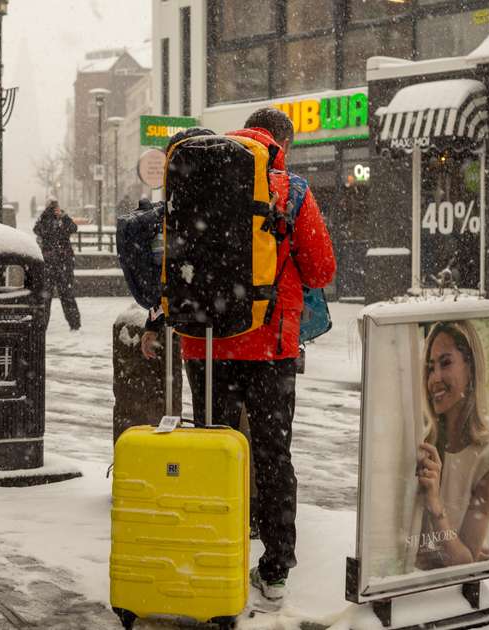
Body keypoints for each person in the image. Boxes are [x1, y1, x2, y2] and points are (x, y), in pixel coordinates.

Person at [141, 110, 336, 600]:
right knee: (272, 454)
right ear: (281, 141)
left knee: (214, 448)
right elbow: (321, 270)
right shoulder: (288, 188)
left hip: (203, 341)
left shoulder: (196, 174)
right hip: (269, 346)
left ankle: (214, 554)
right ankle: (274, 569)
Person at [415, 321, 489, 569]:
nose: (434, 378)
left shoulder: (486, 457)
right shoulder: (420, 444)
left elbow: (463, 564)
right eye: (430, 368)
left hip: (444, 597)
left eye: (446, 363)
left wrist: (435, 504)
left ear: (470, 368)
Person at [33, 199, 81, 331]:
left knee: (63, 294)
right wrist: (46, 217)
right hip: (54, 262)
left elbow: (73, 228)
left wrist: (64, 217)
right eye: (52, 207)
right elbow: (37, 230)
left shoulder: (63, 219)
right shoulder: (44, 219)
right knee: (54, 295)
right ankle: (45, 324)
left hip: (60, 262)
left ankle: (74, 323)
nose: (54, 210)